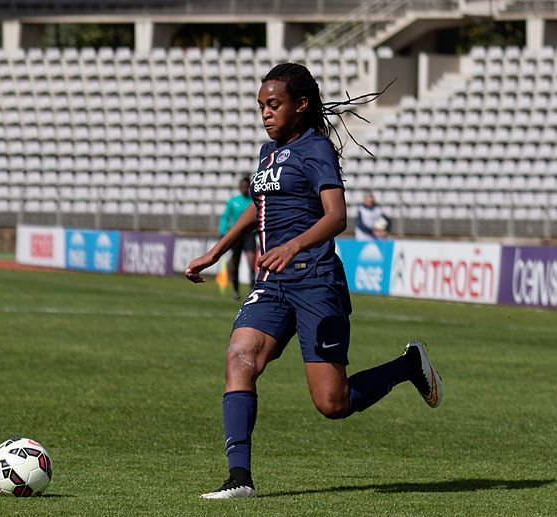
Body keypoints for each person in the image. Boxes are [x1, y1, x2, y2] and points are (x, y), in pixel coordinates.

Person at [185, 63, 442, 499]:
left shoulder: (316, 149)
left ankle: (407, 366)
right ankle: (239, 478)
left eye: (274, 105)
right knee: (240, 357)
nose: (265, 114)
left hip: (315, 281)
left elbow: (337, 216)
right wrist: (217, 250)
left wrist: (294, 247)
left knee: (332, 403)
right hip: (272, 282)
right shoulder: (269, 153)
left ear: (301, 105)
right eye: (261, 106)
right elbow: (258, 205)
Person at [219, 176, 257, 299]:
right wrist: (222, 231)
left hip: (250, 234)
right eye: (243, 186)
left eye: (247, 186)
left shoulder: (253, 201)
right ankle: (236, 291)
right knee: (235, 263)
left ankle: (252, 291)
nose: (244, 188)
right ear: (240, 187)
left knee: (251, 261)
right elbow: (225, 217)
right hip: (236, 235)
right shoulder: (233, 201)